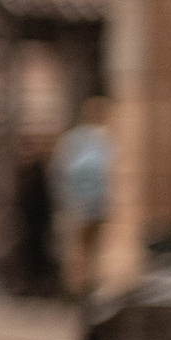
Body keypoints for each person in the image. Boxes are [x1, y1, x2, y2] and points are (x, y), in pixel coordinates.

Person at [54, 96, 113, 298]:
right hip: (83, 202)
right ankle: (77, 287)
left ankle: (86, 285)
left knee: (90, 247)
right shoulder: (81, 140)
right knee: (80, 247)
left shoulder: (102, 139)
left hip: (94, 202)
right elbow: (64, 172)